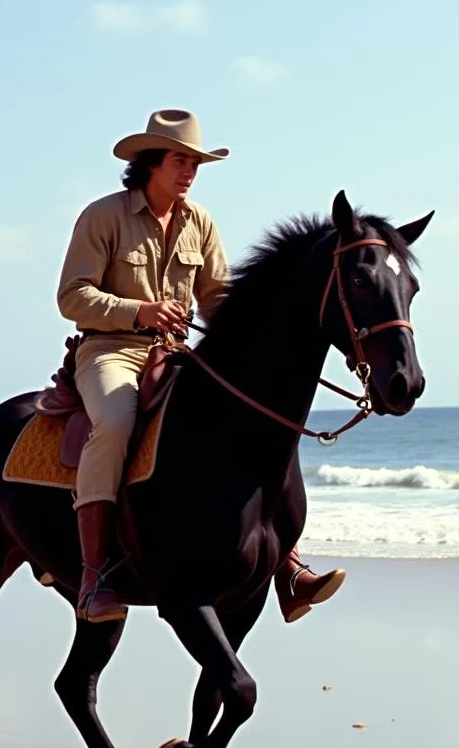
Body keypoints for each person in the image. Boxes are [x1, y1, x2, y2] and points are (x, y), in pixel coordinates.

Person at [56, 109, 345, 622]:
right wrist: (139, 311)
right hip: (111, 351)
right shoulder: (103, 217)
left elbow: (217, 302)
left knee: (249, 420)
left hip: (178, 351)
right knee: (116, 423)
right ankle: (95, 575)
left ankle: (286, 563)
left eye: (195, 163)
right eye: (180, 160)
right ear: (151, 162)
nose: (189, 171)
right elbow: (72, 296)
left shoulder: (200, 222)